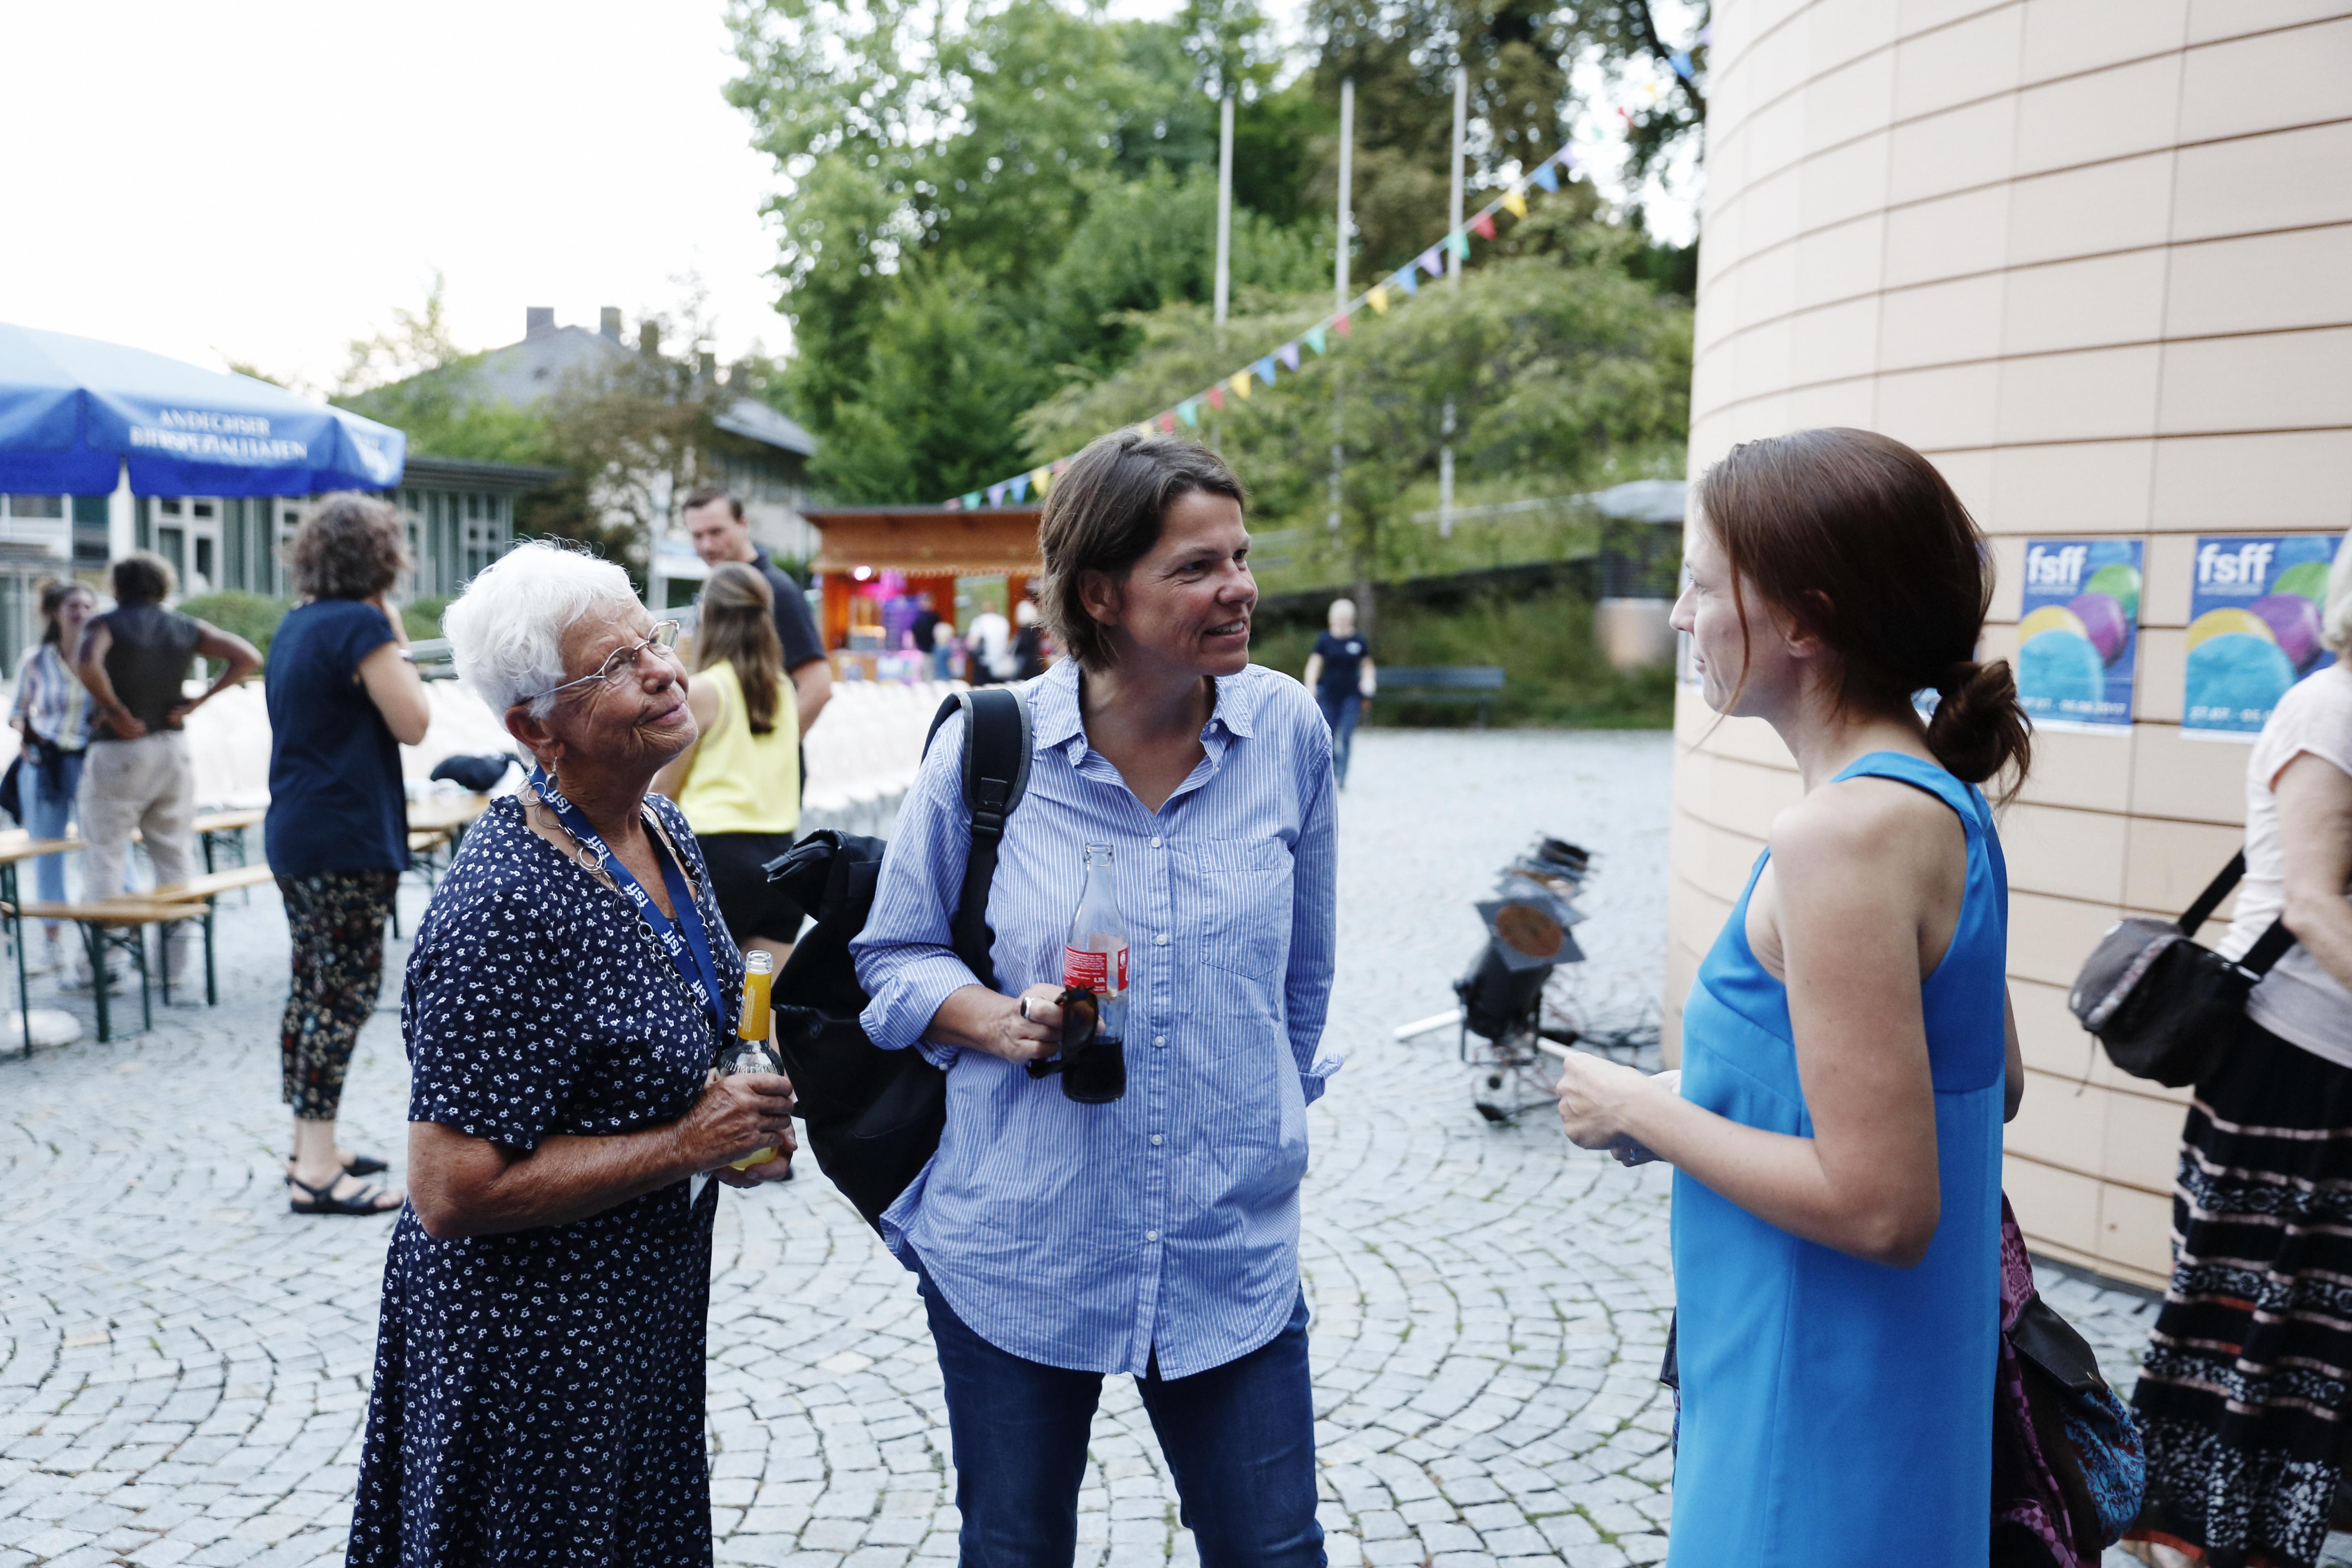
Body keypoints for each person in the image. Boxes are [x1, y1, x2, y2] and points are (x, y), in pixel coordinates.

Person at [853, 430, 1339, 1566]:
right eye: (1196, 567)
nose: (1239, 587)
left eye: (1240, 556)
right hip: (1026, 1239)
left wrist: (1256, 1128)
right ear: (1100, 595)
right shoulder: (991, 747)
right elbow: (893, 955)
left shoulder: (1285, 732)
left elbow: (1302, 981)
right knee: (1015, 1548)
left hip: (1227, 1246)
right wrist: (999, 1021)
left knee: (1274, 1551)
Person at [1550, 427, 2029, 1566]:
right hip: (1886, 1391)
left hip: (1810, 1402)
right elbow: (1984, 1081)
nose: (1680, 616)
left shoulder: (1839, 835)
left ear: (1805, 622)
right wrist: (1706, 1090)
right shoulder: (1936, 797)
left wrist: (1637, 1106)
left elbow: (1882, 1209)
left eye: (1700, 585)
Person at [347, 541, 797, 1568]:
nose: (665, 671)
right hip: (529, 1358)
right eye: (616, 666)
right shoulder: (502, 905)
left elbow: (695, 1031)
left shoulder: (662, 828)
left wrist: (742, 1120)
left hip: (641, 1321)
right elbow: (449, 1190)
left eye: (655, 638)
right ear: (531, 727)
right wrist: (687, 1143)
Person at [2125, 532, 2352, 1568]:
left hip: (2330, 1068)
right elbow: (2310, 902)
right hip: (2286, 1064)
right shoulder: (2330, 709)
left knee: (2311, 1327)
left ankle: (2264, 1537)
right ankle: (2183, 1532)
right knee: (2241, 1315)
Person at [266, 494, 432, 1218]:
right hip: (347, 838)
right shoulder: (361, 626)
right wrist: (389, 622)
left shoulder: (296, 622)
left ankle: (308, 1146)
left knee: (311, 990)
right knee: (343, 996)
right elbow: (415, 721)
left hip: (297, 832)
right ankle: (316, 1170)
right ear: (382, 559)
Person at [73, 552, 261, 992]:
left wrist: (113, 709)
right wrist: (201, 700)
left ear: (117, 585)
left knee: (105, 854)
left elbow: (86, 663)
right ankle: (172, 969)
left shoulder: (106, 625)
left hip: (119, 749)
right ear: (164, 585)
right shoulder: (185, 627)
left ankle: (103, 966)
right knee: (175, 856)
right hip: (172, 748)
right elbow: (247, 656)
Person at [653, 560, 803, 979]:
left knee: (695, 999)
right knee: (763, 1006)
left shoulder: (705, 689)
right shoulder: (784, 688)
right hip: (784, 858)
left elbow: (666, 788)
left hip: (718, 857)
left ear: (709, 612)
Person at [684, 485, 832, 736]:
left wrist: (773, 747)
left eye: (716, 532)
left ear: (743, 525)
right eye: (698, 536)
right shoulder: (719, 589)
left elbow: (818, 685)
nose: (707, 545)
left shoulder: (775, 590)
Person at [10, 578, 96, 974]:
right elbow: (18, 711)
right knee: (47, 851)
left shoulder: (101, 654)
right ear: (56, 613)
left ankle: (109, 939)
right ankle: (52, 943)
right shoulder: (36, 660)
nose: (81, 613)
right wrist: (29, 733)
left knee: (102, 847)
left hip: (90, 762)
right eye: (73, 606)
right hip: (46, 764)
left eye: (87, 606)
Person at [1301, 597, 1375, 788]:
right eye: (1339, 618)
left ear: (1352, 619)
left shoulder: (1358, 641)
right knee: (1329, 736)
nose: (1342, 622)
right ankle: (1333, 767)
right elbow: (1314, 665)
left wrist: (1368, 681)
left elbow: (1367, 666)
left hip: (1352, 695)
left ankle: (1342, 775)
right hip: (1328, 695)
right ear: (1332, 619)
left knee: (1346, 735)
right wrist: (1310, 686)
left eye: (1346, 618)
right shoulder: (1325, 640)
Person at [964, 600, 1012, 685]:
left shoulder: (980, 621)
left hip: (983, 664)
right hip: (1000, 664)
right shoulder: (1003, 621)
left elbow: (972, 643)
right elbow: (1007, 642)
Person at [1012, 595, 1049, 680]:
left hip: (1027, 663)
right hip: (1033, 661)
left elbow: (1022, 645)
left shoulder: (1026, 629)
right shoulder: (1033, 630)